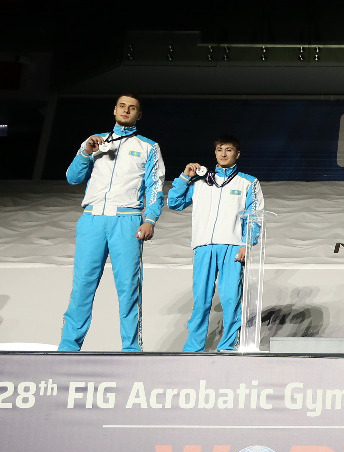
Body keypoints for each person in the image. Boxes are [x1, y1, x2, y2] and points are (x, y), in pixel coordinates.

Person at [58, 94, 165, 352]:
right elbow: (73, 178)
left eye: (132, 108)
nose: (126, 110)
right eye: (122, 106)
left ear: (139, 115)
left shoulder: (148, 147)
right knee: (82, 285)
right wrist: (86, 152)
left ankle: (131, 349)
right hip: (92, 219)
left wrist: (150, 219)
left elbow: (155, 186)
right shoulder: (94, 141)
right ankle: (68, 348)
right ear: (114, 110)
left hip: (127, 220)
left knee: (128, 288)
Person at [167, 135, 264, 352]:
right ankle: (193, 348)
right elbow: (174, 203)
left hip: (232, 246)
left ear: (237, 154)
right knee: (201, 300)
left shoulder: (248, 182)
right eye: (220, 149)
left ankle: (227, 346)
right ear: (215, 153)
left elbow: (255, 217)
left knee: (230, 298)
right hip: (204, 246)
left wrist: (246, 244)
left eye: (229, 150)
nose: (223, 153)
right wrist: (185, 176)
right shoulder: (200, 181)